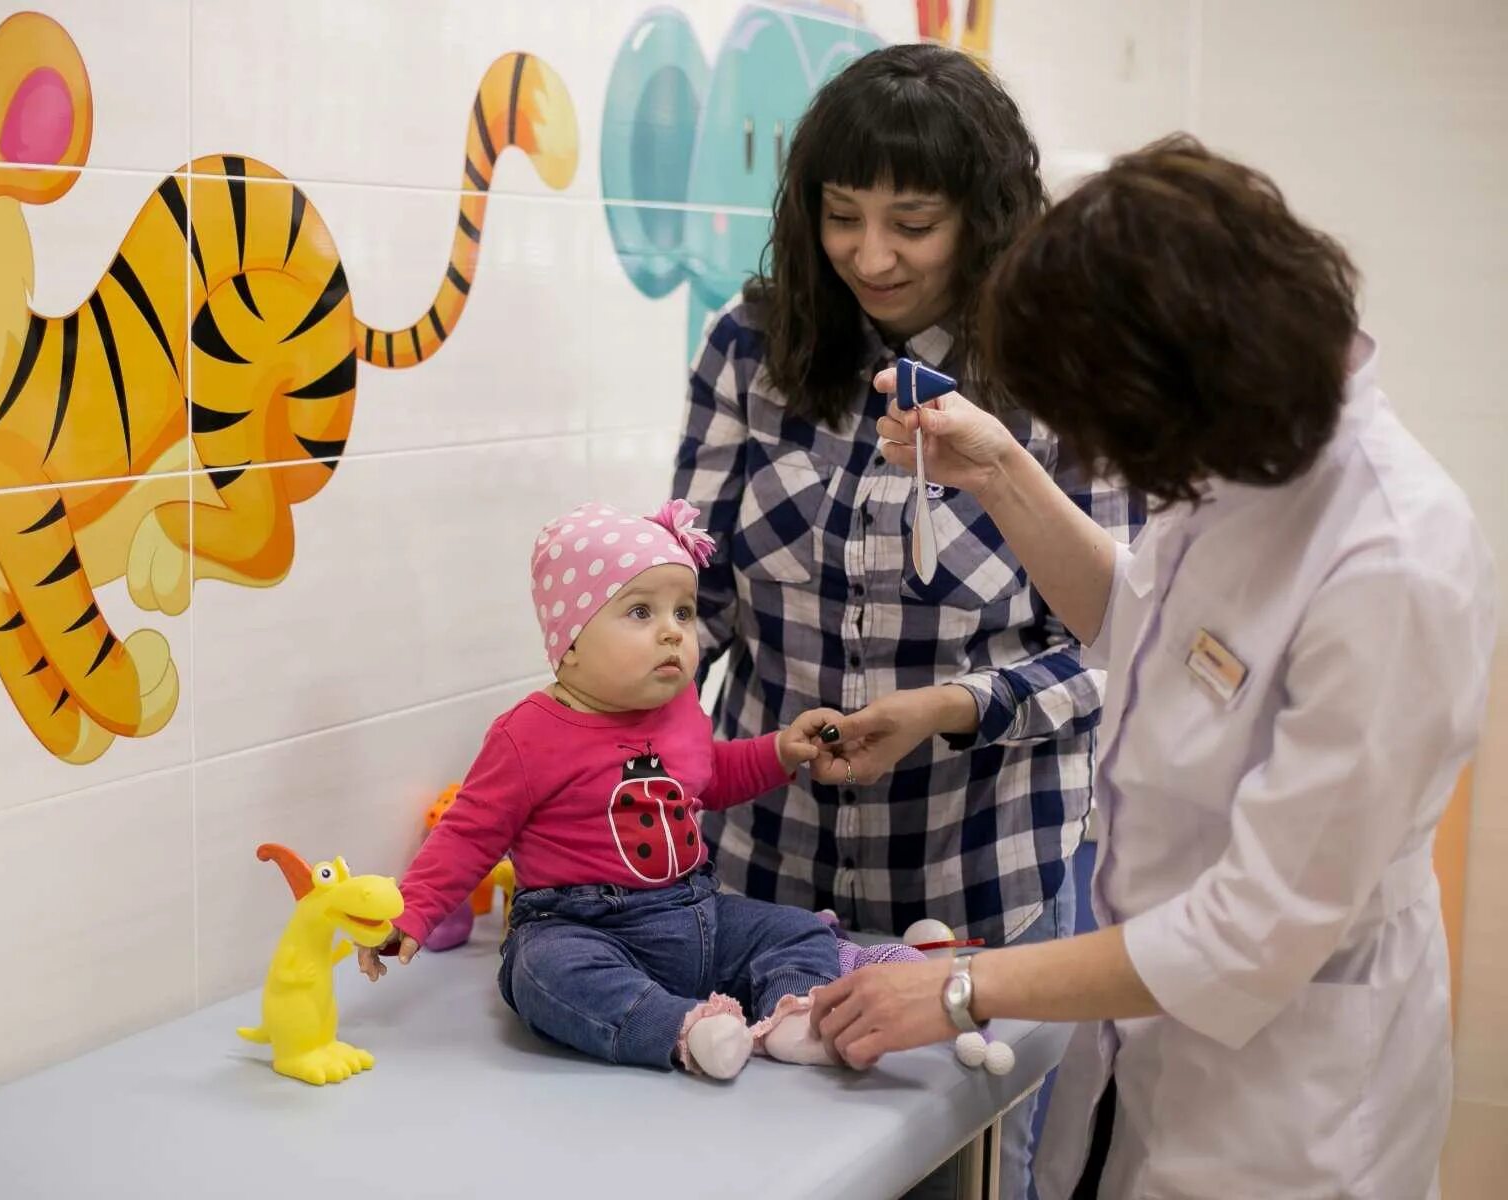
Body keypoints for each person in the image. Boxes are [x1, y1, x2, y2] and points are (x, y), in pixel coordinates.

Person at [809, 135, 1495, 1199]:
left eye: (1109, 430)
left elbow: (1249, 931)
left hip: (1287, 1110)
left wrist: (962, 988)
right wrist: (996, 467)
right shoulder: (1251, 456)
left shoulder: (1391, 561)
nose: (1110, 461)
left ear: (1194, 376)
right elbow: (1140, 625)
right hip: (1147, 1043)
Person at [672, 42, 1139, 1193]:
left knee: (970, 1178)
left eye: (912, 223)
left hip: (980, 879)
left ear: (982, 218)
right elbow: (693, 588)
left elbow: (1128, 644)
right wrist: (622, 709)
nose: (869, 257)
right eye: (841, 216)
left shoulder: (1062, 371)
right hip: (764, 876)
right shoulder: (756, 348)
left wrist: (953, 708)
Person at [358, 499, 848, 1079]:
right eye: (641, 612)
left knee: (797, 930)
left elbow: (709, 775)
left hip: (696, 911)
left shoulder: (679, 708)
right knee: (541, 972)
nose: (672, 631)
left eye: (684, 613)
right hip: (582, 928)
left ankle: (792, 1017)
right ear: (569, 643)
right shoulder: (529, 734)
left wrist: (776, 751)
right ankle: (685, 1030)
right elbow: (467, 834)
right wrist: (411, 912)